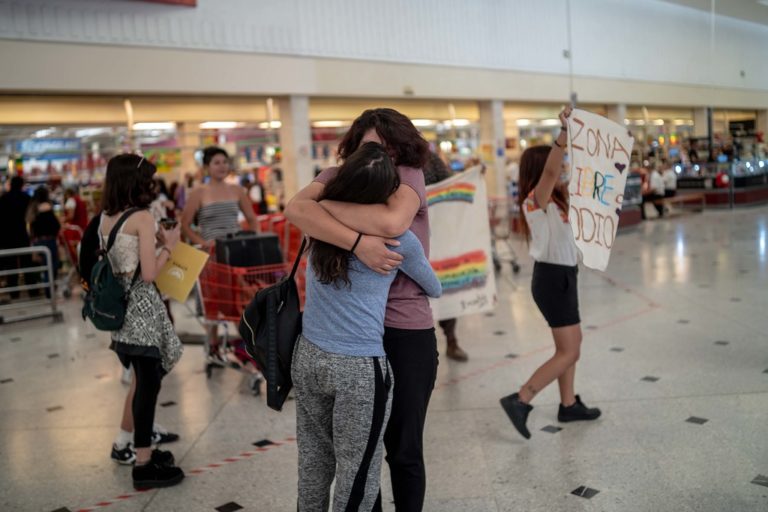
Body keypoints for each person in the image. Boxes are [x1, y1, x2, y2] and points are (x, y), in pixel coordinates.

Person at [285, 108, 437, 511]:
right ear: (354, 146)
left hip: (404, 329)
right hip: (346, 339)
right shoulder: (336, 176)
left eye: (390, 149)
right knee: (358, 457)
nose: (381, 156)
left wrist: (327, 207)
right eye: (372, 147)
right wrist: (356, 242)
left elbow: (391, 223)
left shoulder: (408, 177)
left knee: (403, 449)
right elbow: (294, 210)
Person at [499, 106, 601, 440]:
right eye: (557, 165)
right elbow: (549, 173)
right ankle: (522, 398)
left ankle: (568, 405)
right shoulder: (535, 199)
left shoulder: (557, 200)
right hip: (552, 279)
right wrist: (564, 134)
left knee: (572, 344)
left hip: (563, 277)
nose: (562, 170)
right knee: (569, 350)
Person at [99, 154, 184, 489]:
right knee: (148, 387)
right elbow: (149, 274)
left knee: (141, 382)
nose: (152, 184)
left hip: (123, 313)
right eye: (148, 179)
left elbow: (126, 259)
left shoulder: (108, 217)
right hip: (143, 313)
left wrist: (156, 244)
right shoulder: (142, 217)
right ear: (135, 182)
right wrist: (171, 247)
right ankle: (144, 463)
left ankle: (132, 444)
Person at [180, 146, 259, 363]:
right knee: (212, 302)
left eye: (224, 162)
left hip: (234, 254)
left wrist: (251, 241)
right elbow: (185, 225)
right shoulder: (199, 193)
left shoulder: (237, 191)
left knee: (236, 301)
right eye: (216, 162)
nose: (222, 166)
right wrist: (202, 243)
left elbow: (252, 219)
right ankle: (213, 343)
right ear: (206, 167)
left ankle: (244, 345)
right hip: (211, 256)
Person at [422, 152, 469, 362]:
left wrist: (470, 176)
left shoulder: (429, 158)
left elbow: (451, 183)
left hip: (439, 235)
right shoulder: (388, 159)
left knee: (445, 288)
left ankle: (451, 341)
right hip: (407, 234)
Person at [0, 176, 32, 300]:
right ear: (21, 184)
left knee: (11, 266)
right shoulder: (26, 198)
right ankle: (32, 290)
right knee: (26, 263)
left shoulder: (3, 199)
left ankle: (14, 293)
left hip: (7, 237)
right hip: (22, 234)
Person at [29, 186, 61, 294]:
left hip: (38, 242)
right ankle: (49, 290)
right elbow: (56, 226)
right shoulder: (48, 207)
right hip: (49, 240)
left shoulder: (33, 208)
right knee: (52, 265)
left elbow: (31, 228)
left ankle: (46, 287)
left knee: (43, 266)